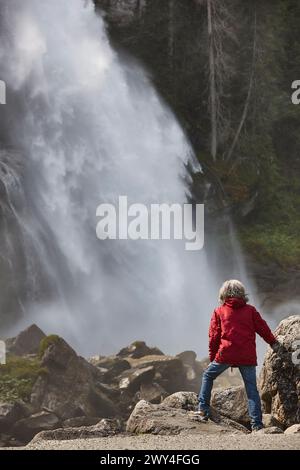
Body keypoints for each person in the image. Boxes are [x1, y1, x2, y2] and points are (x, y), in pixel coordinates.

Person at [194, 279, 278, 432]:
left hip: (226, 354)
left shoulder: (219, 311)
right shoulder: (250, 310)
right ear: (242, 293)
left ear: (223, 294)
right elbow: (263, 328)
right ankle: (257, 425)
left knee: (207, 376)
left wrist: (213, 357)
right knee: (252, 390)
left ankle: (202, 410)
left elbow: (213, 337)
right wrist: (273, 342)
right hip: (247, 356)